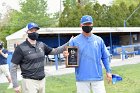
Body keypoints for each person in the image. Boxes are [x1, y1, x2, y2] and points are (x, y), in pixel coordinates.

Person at [10, 22, 69, 93]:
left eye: (35, 30)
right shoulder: (20, 48)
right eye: (31, 30)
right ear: (27, 32)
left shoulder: (41, 45)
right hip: (29, 82)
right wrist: (15, 85)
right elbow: (13, 67)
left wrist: (68, 43)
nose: (34, 32)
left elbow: (55, 51)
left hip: (42, 81)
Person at [63, 15, 112, 93]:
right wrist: (66, 57)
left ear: (92, 25)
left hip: (97, 78)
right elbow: (70, 63)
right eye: (85, 24)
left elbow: (105, 57)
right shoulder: (74, 41)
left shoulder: (99, 40)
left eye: (89, 24)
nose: (87, 26)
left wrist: (108, 71)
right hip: (81, 79)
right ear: (81, 25)